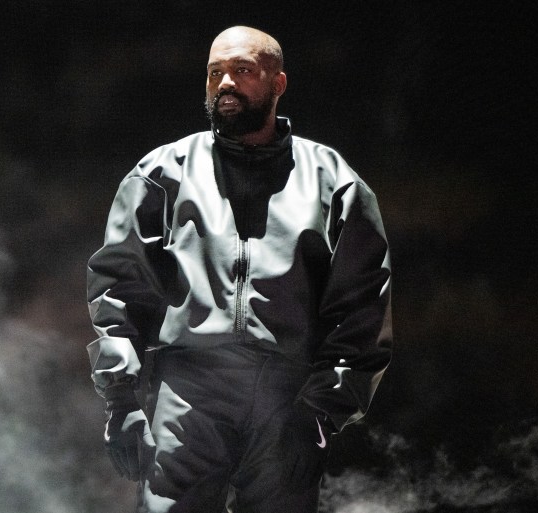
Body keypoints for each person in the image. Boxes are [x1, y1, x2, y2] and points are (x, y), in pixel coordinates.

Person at [86, 25, 392, 513]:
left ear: (278, 83)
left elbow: (363, 308)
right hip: (188, 394)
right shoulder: (162, 174)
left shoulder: (333, 182)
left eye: (242, 70)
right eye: (215, 73)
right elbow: (119, 289)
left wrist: (320, 411)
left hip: (287, 400)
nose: (225, 83)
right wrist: (121, 401)